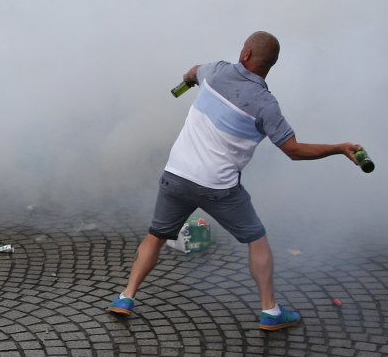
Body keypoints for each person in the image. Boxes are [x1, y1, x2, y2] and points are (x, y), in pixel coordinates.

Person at [107, 31, 363, 331]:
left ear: (245, 55)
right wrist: (338, 148)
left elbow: (193, 71)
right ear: (270, 65)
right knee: (257, 240)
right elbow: (294, 151)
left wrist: (190, 78)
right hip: (219, 188)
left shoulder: (215, 71)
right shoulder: (266, 105)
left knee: (156, 236)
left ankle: (126, 297)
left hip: (177, 174)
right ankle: (270, 312)